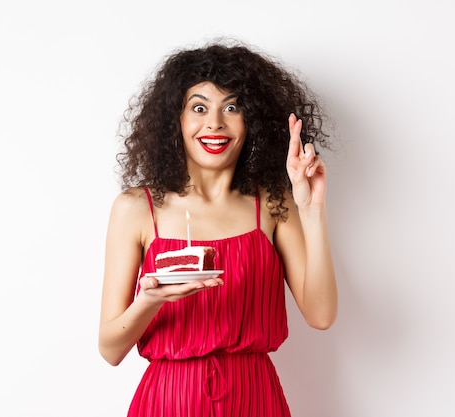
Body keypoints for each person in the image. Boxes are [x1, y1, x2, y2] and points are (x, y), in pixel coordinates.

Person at [98, 39, 338, 416]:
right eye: (198, 107)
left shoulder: (274, 204)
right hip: (168, 402)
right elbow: (110, 349)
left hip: (256, 400)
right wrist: (150, 300)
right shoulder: (136, 209)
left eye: (232, 107)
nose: (215, 123)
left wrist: (312, 208)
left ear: (253, 119)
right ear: (174, 120)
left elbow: (321, 316)